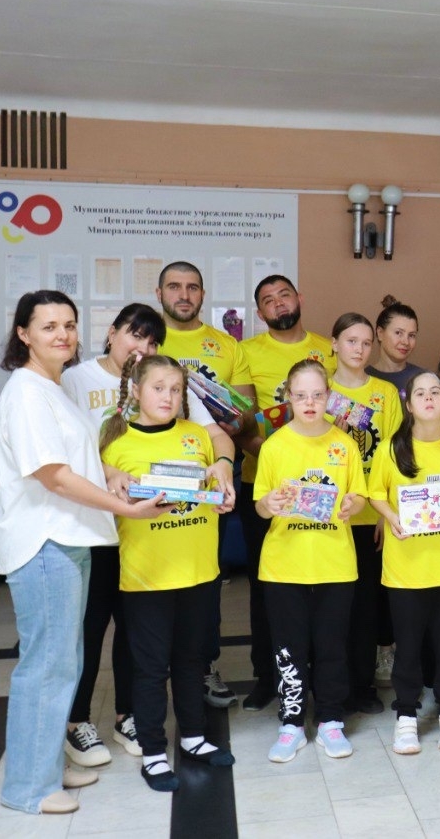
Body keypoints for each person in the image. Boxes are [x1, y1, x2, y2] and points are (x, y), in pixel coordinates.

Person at [0, 291, 169, 815]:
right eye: (48, 326)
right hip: (45, 543)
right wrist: (127, 509)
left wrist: (110, 473)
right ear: (24, 334)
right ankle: (29, 787)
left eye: (69, 325)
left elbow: (77, 458)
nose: (62, 335)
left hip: (69, 541)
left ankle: (46, 764)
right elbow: (54, 475)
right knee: (46, 668)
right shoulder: (27, 393)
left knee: (63, 663)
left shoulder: (53, 388)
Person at [60, 302, 237, 767]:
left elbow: (217, 439)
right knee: (93, 627)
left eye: (153, 340)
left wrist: (221, 469)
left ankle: (130, 718)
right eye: (135, 335)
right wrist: (109, 472)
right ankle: (78, 722)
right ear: (112, 333)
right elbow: (67, 455)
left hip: (170, 550)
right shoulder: (77, 381)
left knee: (144, 641)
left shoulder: (178, 407)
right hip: (101, 530)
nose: (144, 346)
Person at [100, 354, 237, 791]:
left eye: (176, 389)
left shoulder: (197, 436)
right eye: (158, 388)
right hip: (148, 577)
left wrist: (222, 488)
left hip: (198, 571)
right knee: (151, 668)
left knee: (192, 660)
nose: (168, 397)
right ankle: (154, 753)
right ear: (136, 390)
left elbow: (214, 487)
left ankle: (194, 737)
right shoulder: (116, 445)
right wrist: (110, 475)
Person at [254, 359, 368, 763]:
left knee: (332, 644)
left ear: (329, 397)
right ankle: (291, 723)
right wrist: (269, 503)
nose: (309, 402)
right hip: (283, 566)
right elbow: (261, 505)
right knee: (289, 647)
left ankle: (331, 720)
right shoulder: (274, 446)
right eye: (300, 395)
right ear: (288, 396)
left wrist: (353, 503)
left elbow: (359, 495)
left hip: (335, 563)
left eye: (317, 395)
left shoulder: (345, 444)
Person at [156, 261, 253, 710]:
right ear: (159, 293)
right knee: (150, 582)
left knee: (206, 578)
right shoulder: (149, 340)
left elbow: (245, 415)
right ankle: (151, 673)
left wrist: (229, 419)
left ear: (203, 293)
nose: (184, 294)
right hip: (153, 477)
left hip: (211, 476)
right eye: (175, 286)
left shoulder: (226, 345)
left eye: (192, 287)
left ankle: (202, 665)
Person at [237, 275, 336, 710]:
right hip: (265, 486)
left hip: (325, 487)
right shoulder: (246, 352)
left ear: (300, 299)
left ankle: (322, 678)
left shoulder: (328, 349)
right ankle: (268, 677)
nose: (278, 304)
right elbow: (242, 424)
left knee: (322, 589)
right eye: (268, 300)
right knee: (267, 588)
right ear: (260, 313)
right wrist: (279, 456)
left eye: (284, 295)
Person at [369, 372, 440, 753]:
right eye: (421, 393)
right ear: (409, 404)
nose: (429, 398)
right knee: (409, 647)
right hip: (405, 568)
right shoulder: (392, 448)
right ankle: (406, 715)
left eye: (436, 392)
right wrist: (391, 517)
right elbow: (376, 493)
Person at [328, 312, 403, 711]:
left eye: (365, 342)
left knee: (366, 606)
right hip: (330, 517)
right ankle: (332, 691)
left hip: (371, 517)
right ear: (334, 344)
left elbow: (393, 458)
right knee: (333, 608)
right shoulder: (320, 389)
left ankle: (362, 687)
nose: (359, 349)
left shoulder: (385, 393)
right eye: (350, 341)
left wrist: (383, 513)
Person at [367, 295, 424, 397]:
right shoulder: (362, 378)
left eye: (411, 335)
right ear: (380, 333)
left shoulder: (423, 379)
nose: (406, 342)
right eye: (398, 333)